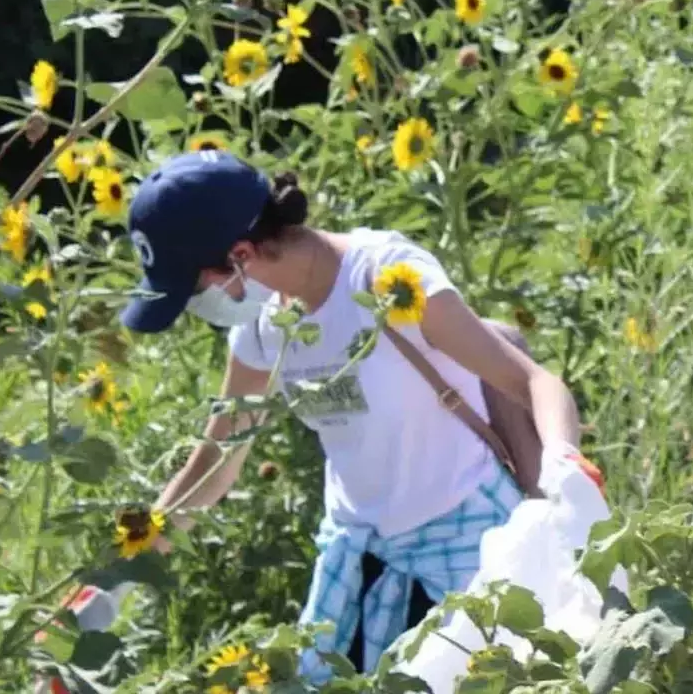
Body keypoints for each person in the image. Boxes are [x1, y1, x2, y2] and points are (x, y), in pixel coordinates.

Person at [121, 151, 589, 682]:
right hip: (356, 557)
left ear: (241, 255)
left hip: (466, 547)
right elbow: (217, 463)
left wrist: (565, 472)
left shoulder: (385, 279)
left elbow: (532, 381)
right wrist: (122, 566)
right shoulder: (261, 327)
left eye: (196, 291)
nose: (196, 308)